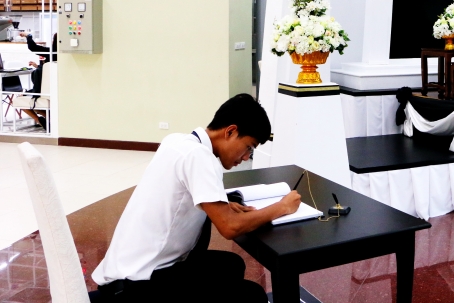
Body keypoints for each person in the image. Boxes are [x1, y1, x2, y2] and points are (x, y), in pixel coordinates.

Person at [91, 94, 300, 302]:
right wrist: (282, 207)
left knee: (232, 265)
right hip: (138, 285)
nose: (246, 157)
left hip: (127, 271)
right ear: (230, 131)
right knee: (252, 295)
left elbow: (179, 194)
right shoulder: (200, 157)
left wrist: (221, 204)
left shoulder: (176, 141)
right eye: (249, 147)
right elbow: (230, 227)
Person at [17, 31, 56, 128]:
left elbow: (33, 47)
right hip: (54, 89)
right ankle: (50, 119)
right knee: (31, 98)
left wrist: (28, 36)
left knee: (21, 99)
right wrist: (38, 66)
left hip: (44, 91)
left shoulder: (50, 52)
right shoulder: (64, 56)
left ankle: (40, 120)